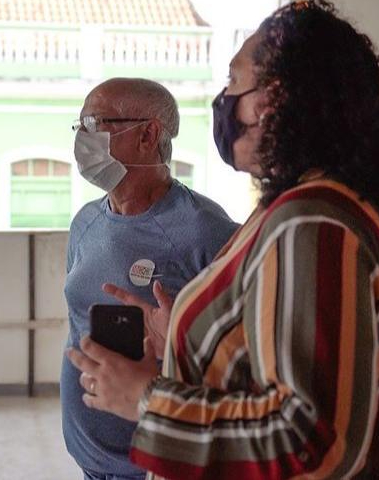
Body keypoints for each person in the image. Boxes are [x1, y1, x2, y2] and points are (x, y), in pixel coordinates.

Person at [68, 1, 379, 478]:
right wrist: (184, 339)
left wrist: (147, 401)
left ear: (273, 100)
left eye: (233, 81)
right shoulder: (288, 210)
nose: (223, 100)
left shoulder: (312, 221)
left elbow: (314, 441)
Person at [63, 78, 238, 480]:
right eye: (80, 125)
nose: (82, 138)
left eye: (96, 123)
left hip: (160, 464)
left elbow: (241, 359)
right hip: (89, 462)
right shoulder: (85, 223)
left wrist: (180, 339)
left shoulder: (206, 232)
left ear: (148, 134)